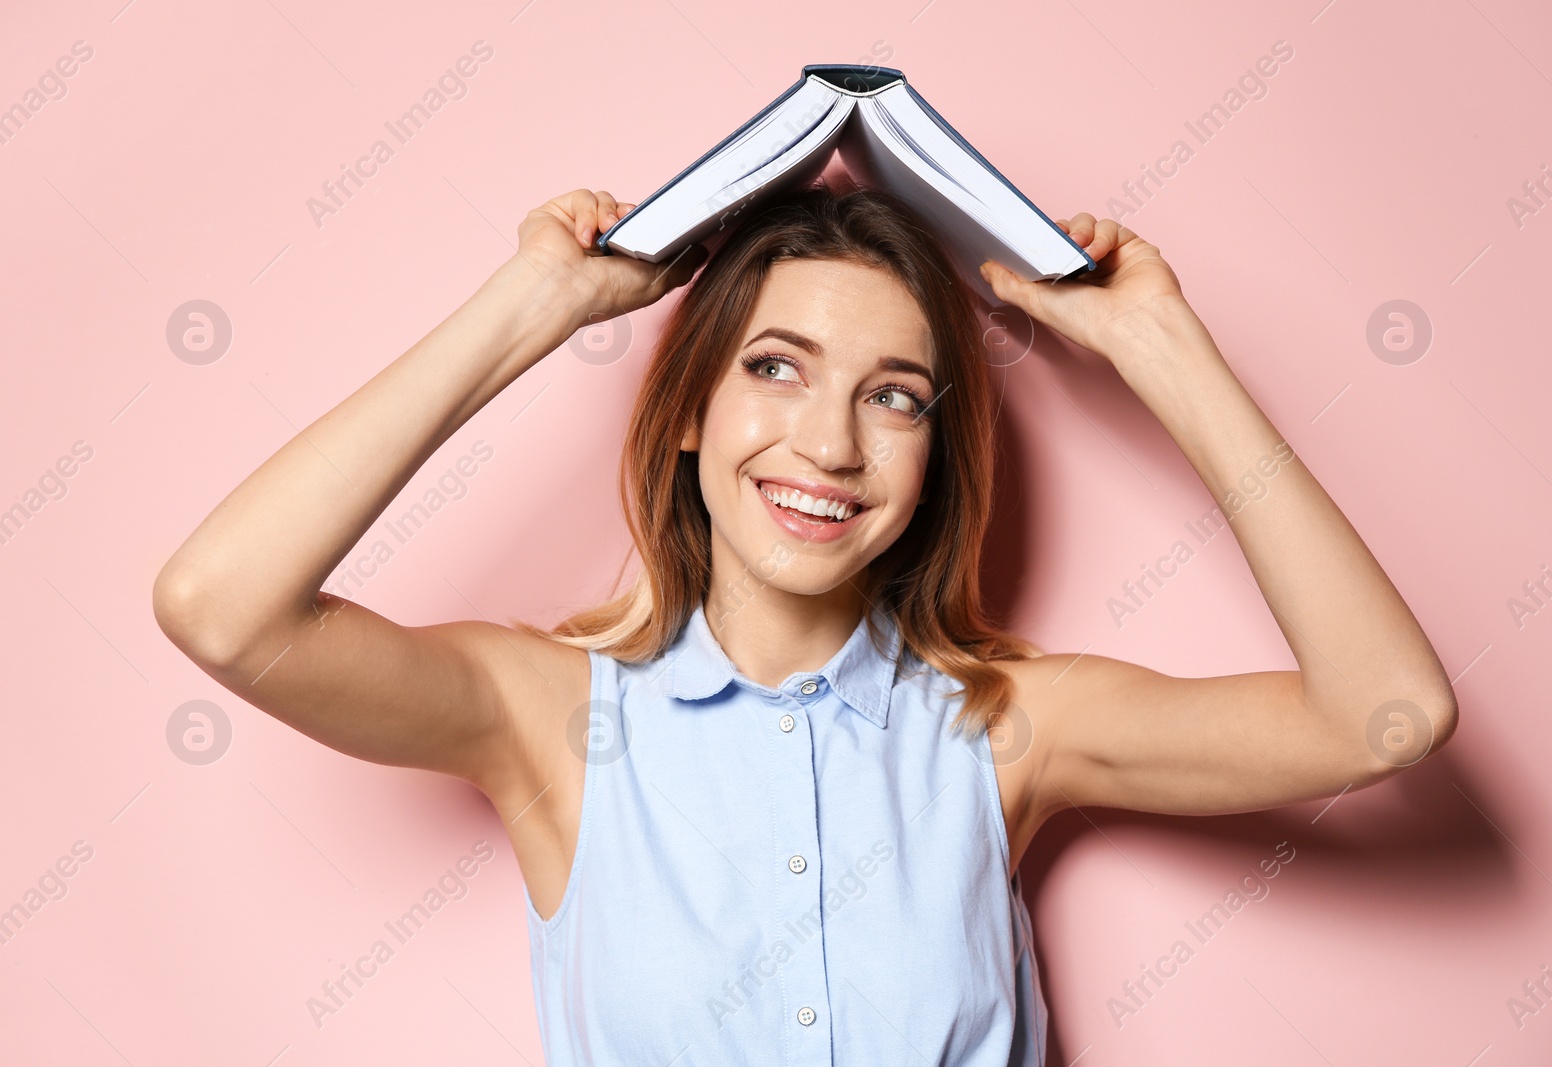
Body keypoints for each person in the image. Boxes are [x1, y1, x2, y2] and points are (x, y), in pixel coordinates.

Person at [152, 180, 1458, 1064]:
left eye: (895, 397)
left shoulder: (1006, 726)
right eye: (775, 369)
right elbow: (222, 606)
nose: (828, 444)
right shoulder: (554, 715)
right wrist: (537, 307)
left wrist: (1162, 344)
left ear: (937, 456)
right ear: (686, 414)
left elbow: (1386, 716)